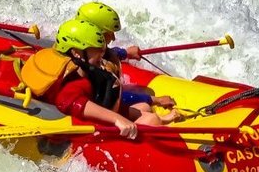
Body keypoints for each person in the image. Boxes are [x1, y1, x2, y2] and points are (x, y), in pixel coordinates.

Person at [17, 18, 168, 139]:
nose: (103, 53)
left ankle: (160, 121)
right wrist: (117, 119)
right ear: (77, 53)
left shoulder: (87, 70)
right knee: (152, 120)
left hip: (97, 116)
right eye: (98, 50)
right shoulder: (73, 81)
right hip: (86, 133)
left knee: (144, 108)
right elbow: (69, 102)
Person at [75, 1, 179, 122]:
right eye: (108, 34)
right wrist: (155, 99)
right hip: (100, 118)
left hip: (108, 109)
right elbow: (114, 97)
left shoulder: (89, 56)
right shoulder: (91, 70)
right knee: (151, 118)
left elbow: (108, 54)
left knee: (145, 107)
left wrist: (125, 53)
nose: (113, 38)